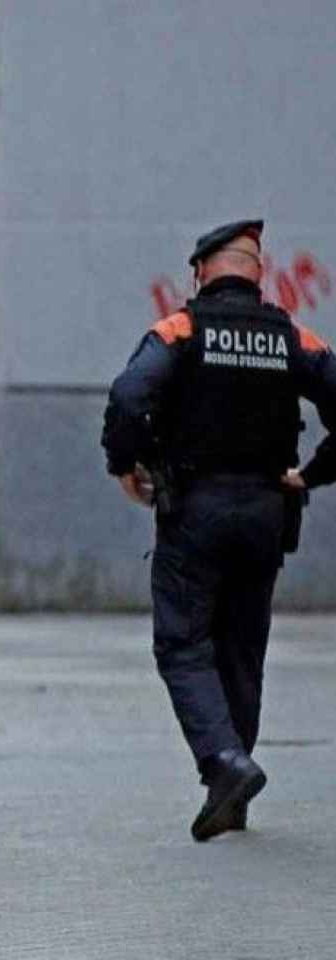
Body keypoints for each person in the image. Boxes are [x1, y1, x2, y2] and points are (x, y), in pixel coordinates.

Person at [102, 219, 336, 841]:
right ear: (258, 273)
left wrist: (127, 463)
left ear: (202, 271)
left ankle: (226, 763)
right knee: (241, 650)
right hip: (266, 513)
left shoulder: (181, 330)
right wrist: (310, 475)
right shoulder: (291, 336)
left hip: (196, 510)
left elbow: (129, 397)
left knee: (181, 644)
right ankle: (230, 795)